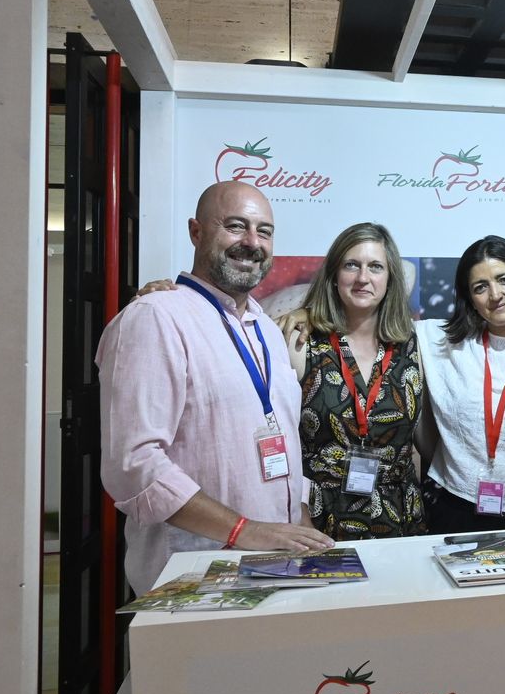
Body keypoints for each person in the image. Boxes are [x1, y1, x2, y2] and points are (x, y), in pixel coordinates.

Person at [97, 181, 332, 595]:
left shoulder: (266, 328)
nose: (252, 242)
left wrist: (299, 515)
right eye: (236, 226)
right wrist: (245, 530)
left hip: (276, 564)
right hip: (193, 577)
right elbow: (133, 466)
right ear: (196, 231)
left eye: (264, 231)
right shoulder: (155, 318)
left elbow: (280, 436)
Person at [288, 222, 426, 540]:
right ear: (335, 275)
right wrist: (298, 512)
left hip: (400, 520)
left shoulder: (413, 345)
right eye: (352, 265)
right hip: (318, 521)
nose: (363, 278)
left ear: (390, 278)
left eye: (375, 267)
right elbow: (281, 441)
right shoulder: (300, 342)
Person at [416, 235, 505, 533]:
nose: (495, 294)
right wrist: (308, 312)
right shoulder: (441, 342)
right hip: (453, 505)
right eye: (480, 287)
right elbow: (370, 317)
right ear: (469, 297)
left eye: (504, 279)